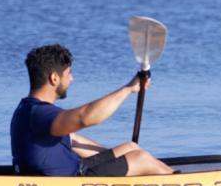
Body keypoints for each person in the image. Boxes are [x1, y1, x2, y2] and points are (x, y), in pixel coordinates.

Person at [10, 44, 173, 176]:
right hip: (72, 181)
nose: (71, 79)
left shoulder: (27, 108)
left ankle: (172, 178)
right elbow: (85, 118)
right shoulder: (40, 114)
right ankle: (180, 185)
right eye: (69, 74)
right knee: (141, 159)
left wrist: (115, 158)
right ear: (54, 78)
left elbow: (73, 140)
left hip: (78, 167)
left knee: (131, 148)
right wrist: (128, 89)